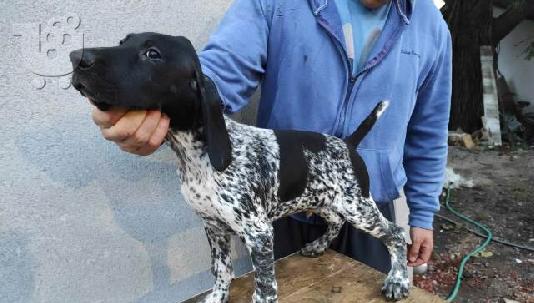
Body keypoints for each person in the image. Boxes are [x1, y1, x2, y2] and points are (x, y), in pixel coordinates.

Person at [91, 0, 452, 273]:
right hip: (283, 205)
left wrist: (422, 215)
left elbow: (428, 131)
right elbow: (216, 75)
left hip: (366, 202)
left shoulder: (432, 26)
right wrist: (152, 101)